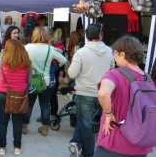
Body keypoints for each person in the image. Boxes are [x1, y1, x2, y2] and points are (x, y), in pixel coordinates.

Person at [95, 35, 152, 156]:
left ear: (123, 54)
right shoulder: (148, 79)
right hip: (141, 144)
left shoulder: (114, 74)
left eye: (114, 52)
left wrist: (109, 114)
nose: (113, 56)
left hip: (114, 143)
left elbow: (103, 93)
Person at [67, 23, 115, 157]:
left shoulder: (81, 52)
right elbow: (112, 70)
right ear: (100, 35)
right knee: (92, 123)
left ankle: (87, 153)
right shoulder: (109, 51)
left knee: (85, 124)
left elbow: (72, 73)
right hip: (103, 93)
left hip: (84, 93)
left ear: (87, 36)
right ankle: (76, 143)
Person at [22, 26, 66, 137]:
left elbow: (21, 61)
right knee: (45, 105)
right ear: (46, 36)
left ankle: (24, 126)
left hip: (32, 80)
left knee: (29, 105)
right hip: (47, 80)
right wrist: (53, 67)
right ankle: (45, 128)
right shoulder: (50, 49)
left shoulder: (27, 47)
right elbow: (63, 60)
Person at [0, 39, 31, 156]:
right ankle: (17, 148)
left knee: (3, 121)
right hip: (19, 95)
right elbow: (28, 81)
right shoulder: (26, 63)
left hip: (2, 93)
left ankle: (2, 148)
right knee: (17, 121)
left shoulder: (3, 61)